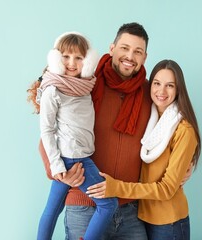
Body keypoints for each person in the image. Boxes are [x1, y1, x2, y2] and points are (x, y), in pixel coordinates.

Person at [39, 22, 153, 240]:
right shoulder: (85, 84)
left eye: (137, 51)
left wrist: (188, 163)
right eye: (124, 48)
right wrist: (59, 172)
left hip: (131, 211)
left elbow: (168, 132)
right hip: (84, 208)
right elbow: (48, 134)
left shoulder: (151, 94)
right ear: (112, 49)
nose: (130, 56)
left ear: (144, 57)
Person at [86, 59, 201, 240]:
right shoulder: (150, 118)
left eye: (170, 85)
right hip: (142, 216)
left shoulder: (183, 129)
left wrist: (117, 188)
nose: (161, 91)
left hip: (168, 223)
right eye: (156, 83)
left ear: (179, 89)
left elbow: (166, 189)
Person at [27, 32, 118, 240]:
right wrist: (57, 166)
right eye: (66, 57)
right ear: (57, 59)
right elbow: (47, 130)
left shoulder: (85, 88)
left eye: (78, 58)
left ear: (86, 62)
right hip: (73, 158)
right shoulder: (53, 90)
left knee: (53, 209)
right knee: (108, 203)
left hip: (80, 154)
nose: (72, 63)